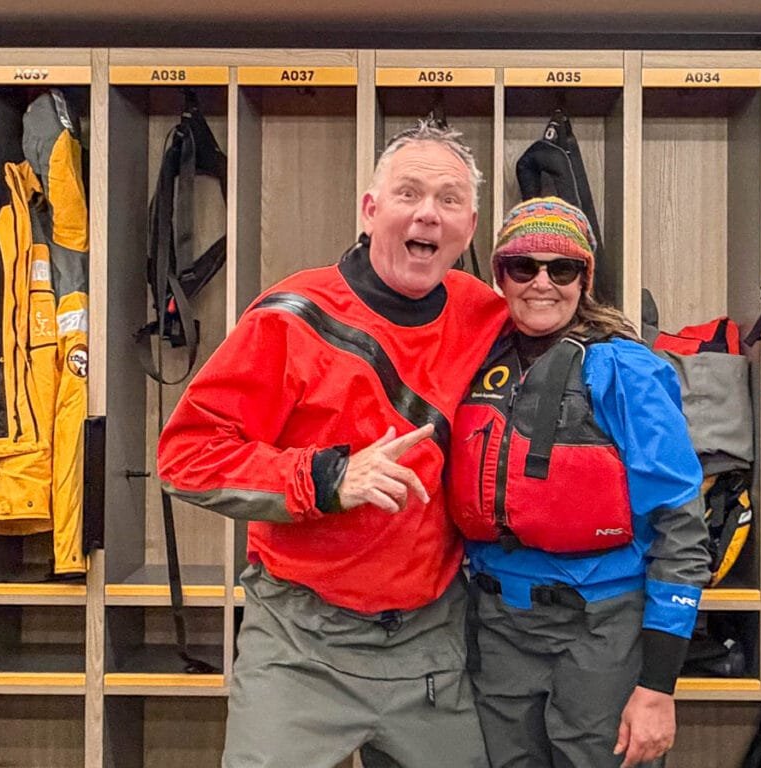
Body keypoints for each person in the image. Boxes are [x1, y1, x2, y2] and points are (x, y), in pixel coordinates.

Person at [156, 122, 509, 768]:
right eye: (408, 193)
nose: (428, 212)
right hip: (300, 645)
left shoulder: (486, 314)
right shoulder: (291, 318)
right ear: (371, 211)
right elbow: (186, 455)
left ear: (469, 226)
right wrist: (325, 479)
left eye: (449, 199)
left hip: (431, 646)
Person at [447, 197, 710, 768]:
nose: (542, 283)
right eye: (523, 267)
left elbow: (681, 532)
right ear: (500, 276)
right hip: (496, 632)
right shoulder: (470, 361)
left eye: (561, 268)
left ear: (584, 280)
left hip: (600, 634)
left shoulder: (626, 370)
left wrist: (658, 687)